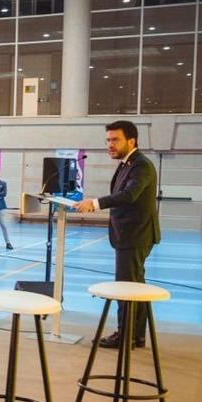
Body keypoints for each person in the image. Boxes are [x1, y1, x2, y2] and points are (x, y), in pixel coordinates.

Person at [76, 120, 161, 349]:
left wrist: (94, 203)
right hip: (130, 235)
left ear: (131, 141)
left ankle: (125, 335)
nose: (110, 145)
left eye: (115, 140)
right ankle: (136, 335)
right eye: (108, 140)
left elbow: (128, 195)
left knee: (126, 287)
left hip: (136, 235)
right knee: (136, 286)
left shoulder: (141, 165)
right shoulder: (127, 164)